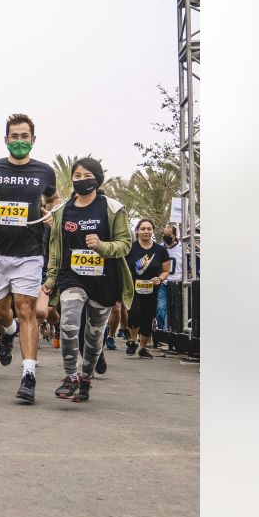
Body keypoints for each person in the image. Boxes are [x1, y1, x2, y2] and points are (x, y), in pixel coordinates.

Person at [0, 113, 60, 403]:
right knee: (0, 313)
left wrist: (50, 213)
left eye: (25, 137)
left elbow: (54, 199)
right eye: (14, 137)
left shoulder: (44, 171)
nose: (19, 142)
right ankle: (7, 334)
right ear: (6, 139)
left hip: (29, 253)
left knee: (26, 310)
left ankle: (28, 375)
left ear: (33, 139)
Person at [41, 157, 135, 402]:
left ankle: (85, 379)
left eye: (87, 175)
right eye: (77, 176)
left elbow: (125, 245)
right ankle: (70, 376)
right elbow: (55, 249)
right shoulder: (62, 211)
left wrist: (102, 246)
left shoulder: (113, 208)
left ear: (98, 178)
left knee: (93, 339)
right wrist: (51, 279)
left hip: (104, 281)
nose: (82, 180)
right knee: (69, 323)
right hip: (72, 277)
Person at [125, 219, 171, 359]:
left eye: (149, 229)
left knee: (148, 317)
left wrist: (160, 279)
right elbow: (122, 268)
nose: (146, 231)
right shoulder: (130, 248)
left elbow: (166, 270)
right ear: (137, 230)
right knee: (135, 314)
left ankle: (142, 348)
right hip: (133, 288)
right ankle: (133, 341)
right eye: (143, 228)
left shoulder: (160, 250)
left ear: (152, 231)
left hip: (152, 289)